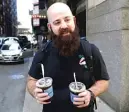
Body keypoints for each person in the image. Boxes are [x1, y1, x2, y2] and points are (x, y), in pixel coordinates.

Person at [27, 2, 109, 112]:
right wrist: (35, 91)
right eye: (57, 22)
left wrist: (91, 93)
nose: (64, 26)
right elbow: (31, 80)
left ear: (74, 21)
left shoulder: (90, 50)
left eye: (67, 19)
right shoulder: (42, 53)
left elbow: (103, 81)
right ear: (50, 27)